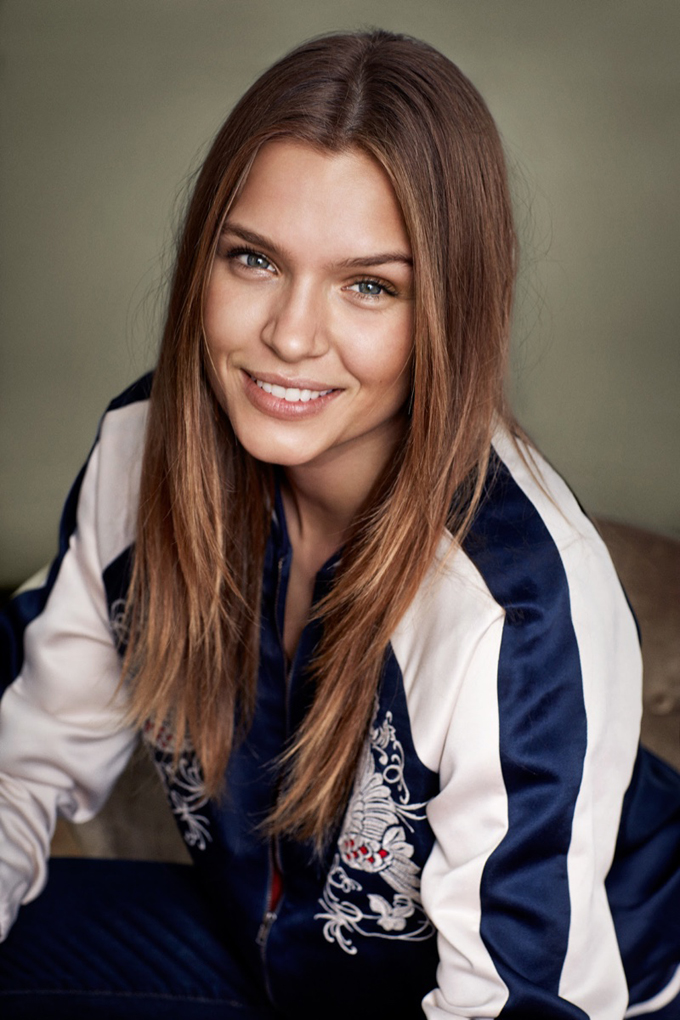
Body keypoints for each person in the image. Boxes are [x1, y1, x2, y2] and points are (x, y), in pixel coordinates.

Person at [0, 28, 678, 1020]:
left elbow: (511, 1003)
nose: (289, 334)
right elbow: (18, 768)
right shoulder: (144, 452)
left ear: (449, 310)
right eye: (253, 259)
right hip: (268, 959)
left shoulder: (518, 606)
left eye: (369, 285)